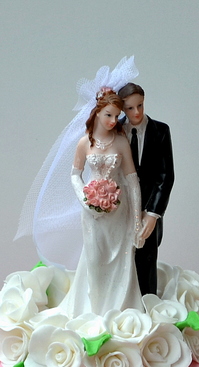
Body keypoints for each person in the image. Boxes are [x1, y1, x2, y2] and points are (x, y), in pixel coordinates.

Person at [59, 89, 144, 317]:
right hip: (92, 213)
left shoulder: (121, 142)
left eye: (116, 116)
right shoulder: (84, 143)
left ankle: (117, 311)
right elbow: (75, 175)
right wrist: (86, 200)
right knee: (95, 259)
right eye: (108, 115)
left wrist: (137, 221)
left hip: (119, 211)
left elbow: (132, 181)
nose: (113, 121)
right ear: (97, 112)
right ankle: (94, 312)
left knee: (120, 259)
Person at [118, 83, 174, 296]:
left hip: (148, 209)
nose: (137, 112)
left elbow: (165, 177)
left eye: (140, 105)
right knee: (120, 260)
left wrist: (152, 213)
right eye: (130, 108)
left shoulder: (160, 131)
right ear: (122, 109)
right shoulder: (115, 130)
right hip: (120, 209)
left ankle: (147, 305)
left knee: (146, 258)